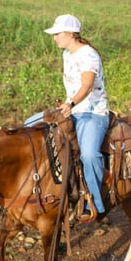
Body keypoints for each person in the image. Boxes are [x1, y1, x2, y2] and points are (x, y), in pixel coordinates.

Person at [41, 13, 110, 223]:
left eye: (57, 34)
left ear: (70, 34)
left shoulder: (88, 55)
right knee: (31, 126)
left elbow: (87, 85)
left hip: (92, 112)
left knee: (88, 155)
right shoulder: (67, 54)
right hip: (71, 110)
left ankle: (95, 203)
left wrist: (71, 103)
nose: (54, 38)